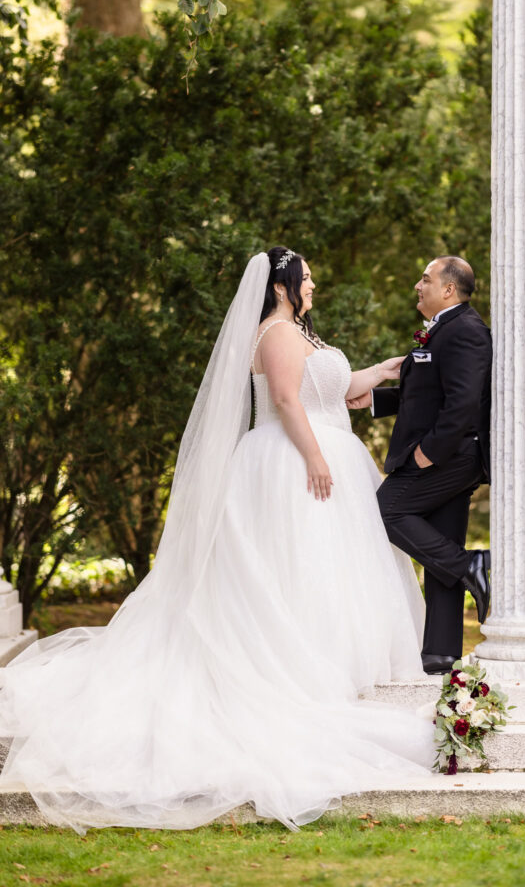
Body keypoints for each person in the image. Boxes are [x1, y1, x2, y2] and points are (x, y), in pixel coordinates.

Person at [0, 247, 435, 833]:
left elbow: (329, 393)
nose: (312, 283)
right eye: (304, 277)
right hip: (289, 462)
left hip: (330, 453)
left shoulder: (303, 334)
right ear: (281, 286)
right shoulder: (275, 334)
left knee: (327, 574)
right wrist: (313, 456)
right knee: (290, 570)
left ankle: (340, 672)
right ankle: (296, 676)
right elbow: (284, 402)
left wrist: (381, 371)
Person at [349, 256, 492, 674]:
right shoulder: (446, 328)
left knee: (385, 510)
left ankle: (472, 566)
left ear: (448, 289)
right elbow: (429, 393)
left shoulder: (466, 330)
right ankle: (440, 655)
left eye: (426, 279)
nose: (418, 284)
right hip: (443, 455)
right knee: (440, 546)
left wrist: (429, 452)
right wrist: (375, 400)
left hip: (448, 457)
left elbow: (464, 401)